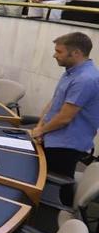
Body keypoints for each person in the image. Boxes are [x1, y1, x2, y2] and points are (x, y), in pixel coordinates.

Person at [30, 32, 99, 207]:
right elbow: (54, 102)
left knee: (58, 184)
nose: (55, 55)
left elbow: (65, 118)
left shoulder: (86, 79)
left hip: (66, 143)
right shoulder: (71, 72)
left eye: (59, 52)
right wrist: (40, 126)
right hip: (53, 135)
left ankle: (66, 214)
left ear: (76, 53)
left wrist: (42, 131)